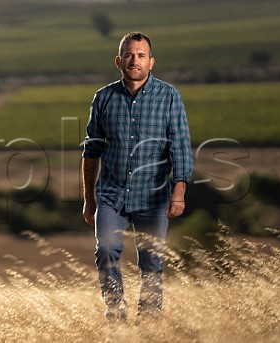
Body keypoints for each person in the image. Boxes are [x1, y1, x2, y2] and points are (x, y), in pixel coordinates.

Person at [82, 32, 193, 321]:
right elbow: (91, 149)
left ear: (151, 62)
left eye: (141, 55)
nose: (135, 61)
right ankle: (115, 316)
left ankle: (148, 326)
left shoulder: (169, 96)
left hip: (153, 197)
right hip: (110, 195)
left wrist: (178, 192)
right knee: (105, 251)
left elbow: (180, 146)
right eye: (129, 55)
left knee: (152, 263)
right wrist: (88, 199)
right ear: (119, 60)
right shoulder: (103, 98)